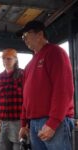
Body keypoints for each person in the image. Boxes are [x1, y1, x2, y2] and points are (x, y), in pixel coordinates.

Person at [16, 20, 74, 150]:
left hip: (53, 121)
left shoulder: (55, 53)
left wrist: (53, 123)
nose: (24, 39)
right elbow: (27, 98)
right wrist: (24, 124)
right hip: (34, 123)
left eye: (26, 35)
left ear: (40, 34)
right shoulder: (29, 65)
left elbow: (63, 90)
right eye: (23, 37)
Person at [0, 48, 24, 150]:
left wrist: (27, 122)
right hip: (3, 121)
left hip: (19, 120)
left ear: (15, 60)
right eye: (4, 59)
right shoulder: (0, 76)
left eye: (9, 59)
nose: (6, 61)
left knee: (19, 147)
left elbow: (29, 98)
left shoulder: (22, 74)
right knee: (2, 146)